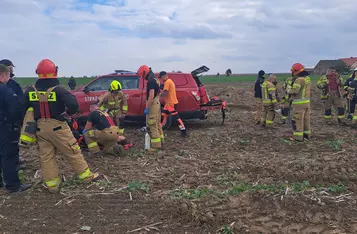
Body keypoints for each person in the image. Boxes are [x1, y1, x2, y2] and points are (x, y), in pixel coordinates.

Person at [22, 59, 101, 193]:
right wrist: (67, 114)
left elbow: (22, 108)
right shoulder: (59, 90)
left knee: (46, 157)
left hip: (40, 128)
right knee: (72, 151)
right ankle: (86, 177)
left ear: (38, 73)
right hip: (58, 126)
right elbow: (73, 104)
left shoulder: (30, 90)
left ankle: (53, 186)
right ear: (54, 73)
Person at [0, 64, 31, 193]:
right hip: (7, 127)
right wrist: (19, 121)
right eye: (8, 75)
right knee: (9, 156)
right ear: (3, 75)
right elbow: (15, 109)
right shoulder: (5, 90)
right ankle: (13, 186)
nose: (9, 78)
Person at [0, 59, 24, 171]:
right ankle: (13, 183)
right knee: (9, 152)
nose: (12, 70)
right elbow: (15, 105)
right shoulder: (8, 87)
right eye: (10, 68)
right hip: (7, 123)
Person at [137, 65, 164, 153]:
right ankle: (161, 141)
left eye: (142, 76)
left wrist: (147, 107)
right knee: (157, 123)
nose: (143, 78)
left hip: (153, 103)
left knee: (152, 124)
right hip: (157, 102)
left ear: (145, 73)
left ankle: (156, 147)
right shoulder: (155, 79)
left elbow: (151, 95)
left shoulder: (151, 81)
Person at [286, 63, 311, 141]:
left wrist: (288, 88)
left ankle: (298, 138)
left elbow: (295, 91)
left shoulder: (299, 79)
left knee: (298, 120)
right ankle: (306, 135)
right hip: (306, 103)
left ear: (295, 71)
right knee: (306, 120)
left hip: (298, 104)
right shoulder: (307, 78)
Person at [159, 71, 187, 136]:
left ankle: (183, 131)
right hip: (168, 103)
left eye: (161, 78)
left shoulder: (167, 82)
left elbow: (165, 93)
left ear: (163, 76)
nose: (161, 80)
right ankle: (159, 129)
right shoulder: (170, 81)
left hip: (171, 103)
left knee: (176, 118)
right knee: (163, 116)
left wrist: (159, 95)